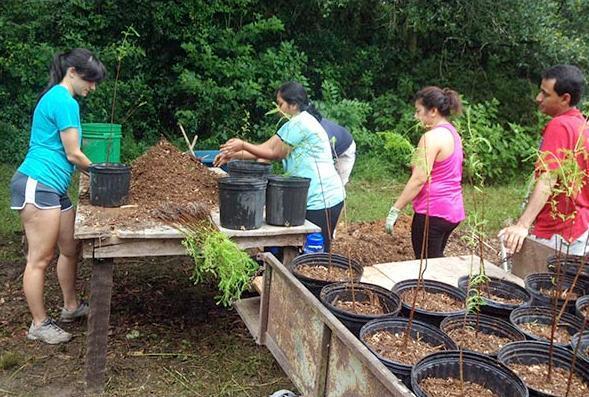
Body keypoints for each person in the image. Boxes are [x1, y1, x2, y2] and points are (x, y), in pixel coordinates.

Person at [10, 48, 106, 344]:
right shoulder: (64, 101)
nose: (93, 87)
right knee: (40, 258)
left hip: (55, 186)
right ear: (73, 73)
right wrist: (103, 172)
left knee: (69, 247)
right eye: (90, 80)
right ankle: (38, 324)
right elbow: (73, 153)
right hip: (37, 183)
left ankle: (71, 306)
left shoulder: (60, 98)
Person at [214, 81, 345, 251]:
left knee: (314, 252)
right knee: (295, 249)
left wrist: (243, 145)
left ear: (293, 105)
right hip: (304, 194)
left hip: (322, 197)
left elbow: (276, 154)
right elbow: (265, 149)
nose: (278, 108)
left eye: (281, 104)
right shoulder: (292, 124)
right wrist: (232, 155)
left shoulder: (301, 124)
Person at [499, 65, 589, 255]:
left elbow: (548, 178)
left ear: (565, 98)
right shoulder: (582, 126)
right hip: (579, 229)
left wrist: (522, 225)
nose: (538, 98)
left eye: (545, 94)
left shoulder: (560, 125)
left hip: (559, 232)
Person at [384, 86, 465, 259]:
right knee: (436, 259)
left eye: (419, 111)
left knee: (426, 265)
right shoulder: (453, 134)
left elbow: (419, 178)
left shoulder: (431, 138)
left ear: (433, 111)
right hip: (452, 210)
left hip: (433, 211)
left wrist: (395, 209)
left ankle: (446, 286)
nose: (416, 116)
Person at [318, 117, 356, 186]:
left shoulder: (323, 134)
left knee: (338, 185)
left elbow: (323, 160)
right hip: (334, 146)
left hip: (345, 150)